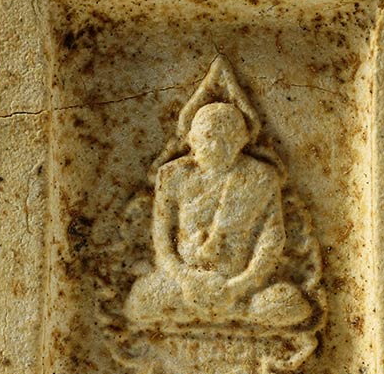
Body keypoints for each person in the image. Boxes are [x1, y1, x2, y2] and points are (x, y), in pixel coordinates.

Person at [124, 102, 311, 326]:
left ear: (242, 140)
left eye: (226, 139)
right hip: (183, 282)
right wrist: (185, 278)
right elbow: (161, 240)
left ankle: (224, 311)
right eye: (208, 138)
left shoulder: (260, 177)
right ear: (191, 139)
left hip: (240, 285)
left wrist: (239, 284)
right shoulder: (173, 175)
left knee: (288, 303)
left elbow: (271, 238)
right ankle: (237, 314)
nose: (215, 147)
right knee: (140, 300)